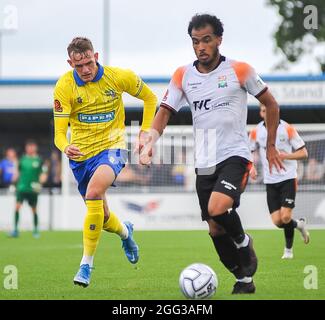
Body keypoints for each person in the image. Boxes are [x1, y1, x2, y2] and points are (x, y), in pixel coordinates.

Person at [140, 14, 284, 294]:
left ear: (219, 40)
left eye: (206, 40)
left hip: (235, 155)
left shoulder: (240, 70)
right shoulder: (183, 75)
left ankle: (244, 243)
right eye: (195, 42)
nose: (201, 47)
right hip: (204, 161)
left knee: (217, 209)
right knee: (215, 229)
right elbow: (164, 112)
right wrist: (150, 141)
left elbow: (271, 103)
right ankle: (244, 280)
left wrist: (270, 145)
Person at [53, 37, 157, 287]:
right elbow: (58, 134)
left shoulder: (119, 77)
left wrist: (145, 132)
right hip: (81, 157)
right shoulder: (64, 87)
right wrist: (66, 147)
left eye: (89, 62)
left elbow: (151, 98)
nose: (86, 70)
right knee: (102, 213)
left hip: (113, 148)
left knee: (94, 191)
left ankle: (86, 264)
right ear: (70, 63)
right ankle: (125, 232)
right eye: (79, 66)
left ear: (96, 56)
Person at [249, 104, 310, 259]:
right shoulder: (257, 131)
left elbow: (304, 153)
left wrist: (285, 156)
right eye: (263, 111)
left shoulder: (287, 129)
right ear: (261, 113)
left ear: (276, 112)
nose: (266, 113)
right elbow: (248, 150)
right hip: (270, 181)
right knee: (277, 221)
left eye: (269, 110)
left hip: (288, 177)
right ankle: (299, 225)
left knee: (285, 217)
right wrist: (251, 168)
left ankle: (288, 251)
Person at [10, 140, 48, 238]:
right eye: (29, 146)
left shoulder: (39, 160)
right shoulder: (22, 160)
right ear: (26, 148)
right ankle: (15, 229)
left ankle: (35, 230)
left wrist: (40, 183)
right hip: (22, 188)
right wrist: (13, 182)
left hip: (33, 189)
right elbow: (17, 173)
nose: (30, 148)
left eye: (32, 146)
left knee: (34, 209)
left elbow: (43, 174)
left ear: (35, 148)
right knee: (17, 207)